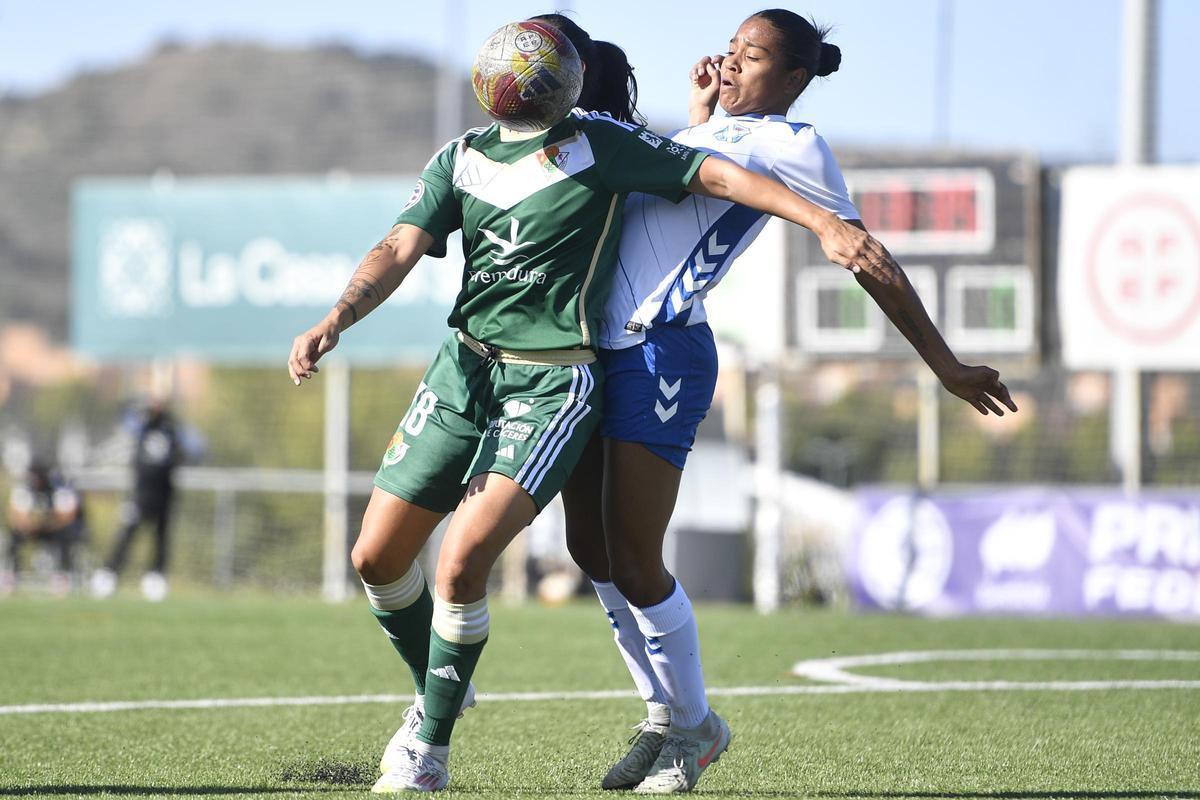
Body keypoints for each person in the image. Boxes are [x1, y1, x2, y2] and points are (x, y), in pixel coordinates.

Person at [287, 18, 896, 794]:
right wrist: (336, 317)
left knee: (516, 560)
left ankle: (437, 745)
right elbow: (399, 244)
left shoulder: (607, 146)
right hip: (469, 372)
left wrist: (823, 223)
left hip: (578, 374)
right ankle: (490, 690)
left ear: (571, 83)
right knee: (406, 557)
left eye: (551, 67)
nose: (533, 78)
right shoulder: (465, 156)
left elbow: (716, 177)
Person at [560, 8, 1019, 794]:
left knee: (635, 560)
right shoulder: (709, 127)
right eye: (732, 50)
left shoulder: (796, 144)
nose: (734, 64)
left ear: (797, 78)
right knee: (591, 552)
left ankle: (694, 729)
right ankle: (663, 717)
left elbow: (862, 253)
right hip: (592, 348)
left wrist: (942, 363)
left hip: (659, 347)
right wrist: (700, 116)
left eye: (755, 57)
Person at [91, 398, 185, 601]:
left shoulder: (172, 431)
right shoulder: (141, 427)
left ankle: (156, 577)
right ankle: (109, 575)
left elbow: (190, 450)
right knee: (127, 537)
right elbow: (125, 419)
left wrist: (168, 416)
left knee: (160, 540)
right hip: (140, 496)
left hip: (164, 496)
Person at [2, 459, 85, 595]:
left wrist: (47, 523)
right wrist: (31, 524)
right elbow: (15, 515)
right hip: (32, 529)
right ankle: (10, 578)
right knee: (14, 536)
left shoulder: (57, 489)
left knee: (65, 536)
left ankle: (62, 577)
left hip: (52, 529)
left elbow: (66, 516)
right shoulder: (24, 490)